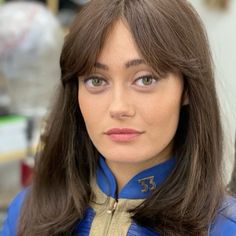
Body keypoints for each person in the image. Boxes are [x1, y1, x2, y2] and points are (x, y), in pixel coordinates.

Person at [1, 0, 236, 235]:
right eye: (96, 80)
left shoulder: (225, 227)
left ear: (187, 89)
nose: (118, 107)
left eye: (145, 79)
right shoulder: (25, 213)